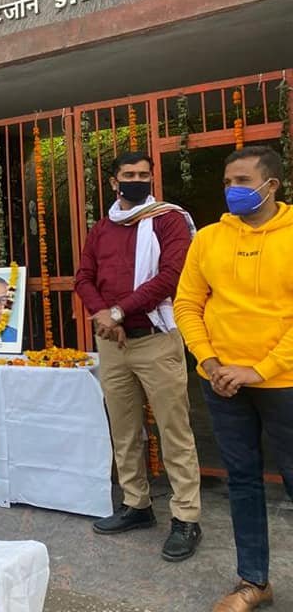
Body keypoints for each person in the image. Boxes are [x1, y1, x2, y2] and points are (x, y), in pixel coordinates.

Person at [173, 146, 292, 612]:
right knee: (242, 481)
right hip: (222, 381)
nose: (232, 190)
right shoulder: (208, 239)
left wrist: (260, 369)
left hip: (283, 382)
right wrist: (209, 362)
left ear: (272, 185)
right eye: (227, 182)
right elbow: (187, 304)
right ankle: (253, 581)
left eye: (242, 181)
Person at [74, 150, 202, 561]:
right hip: (112, 344)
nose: (137, 180)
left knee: (174, 429)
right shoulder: (103, 227)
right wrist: (102, 314)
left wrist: (118, 311)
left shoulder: (168, 219)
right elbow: (84, 276)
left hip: (155, 339)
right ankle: (137, 505)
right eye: (129, 174)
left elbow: (171, 275)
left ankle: (186, 517)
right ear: (114, 182)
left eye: (144, 174)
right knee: (124, 429)